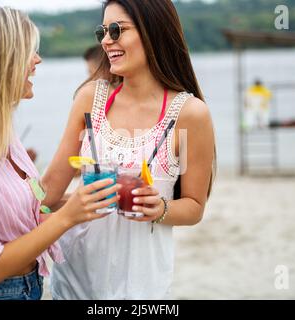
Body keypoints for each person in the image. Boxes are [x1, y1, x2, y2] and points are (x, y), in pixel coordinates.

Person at [0, 6, 119, 300]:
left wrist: (79, 203)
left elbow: (19, 219)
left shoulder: (1, 140)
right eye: (29, 51)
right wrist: (67, 216)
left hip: (28, 290)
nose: (37, 60)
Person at [41, 0, 216, 299]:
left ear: (152, 31)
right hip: (73, 283)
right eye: (103, 32)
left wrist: (160, 208)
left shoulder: (190, 113)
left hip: (142, 288)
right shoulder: (89, 98)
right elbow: (50, 189)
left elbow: (194, 206)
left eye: (116, 30)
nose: (107, 41)